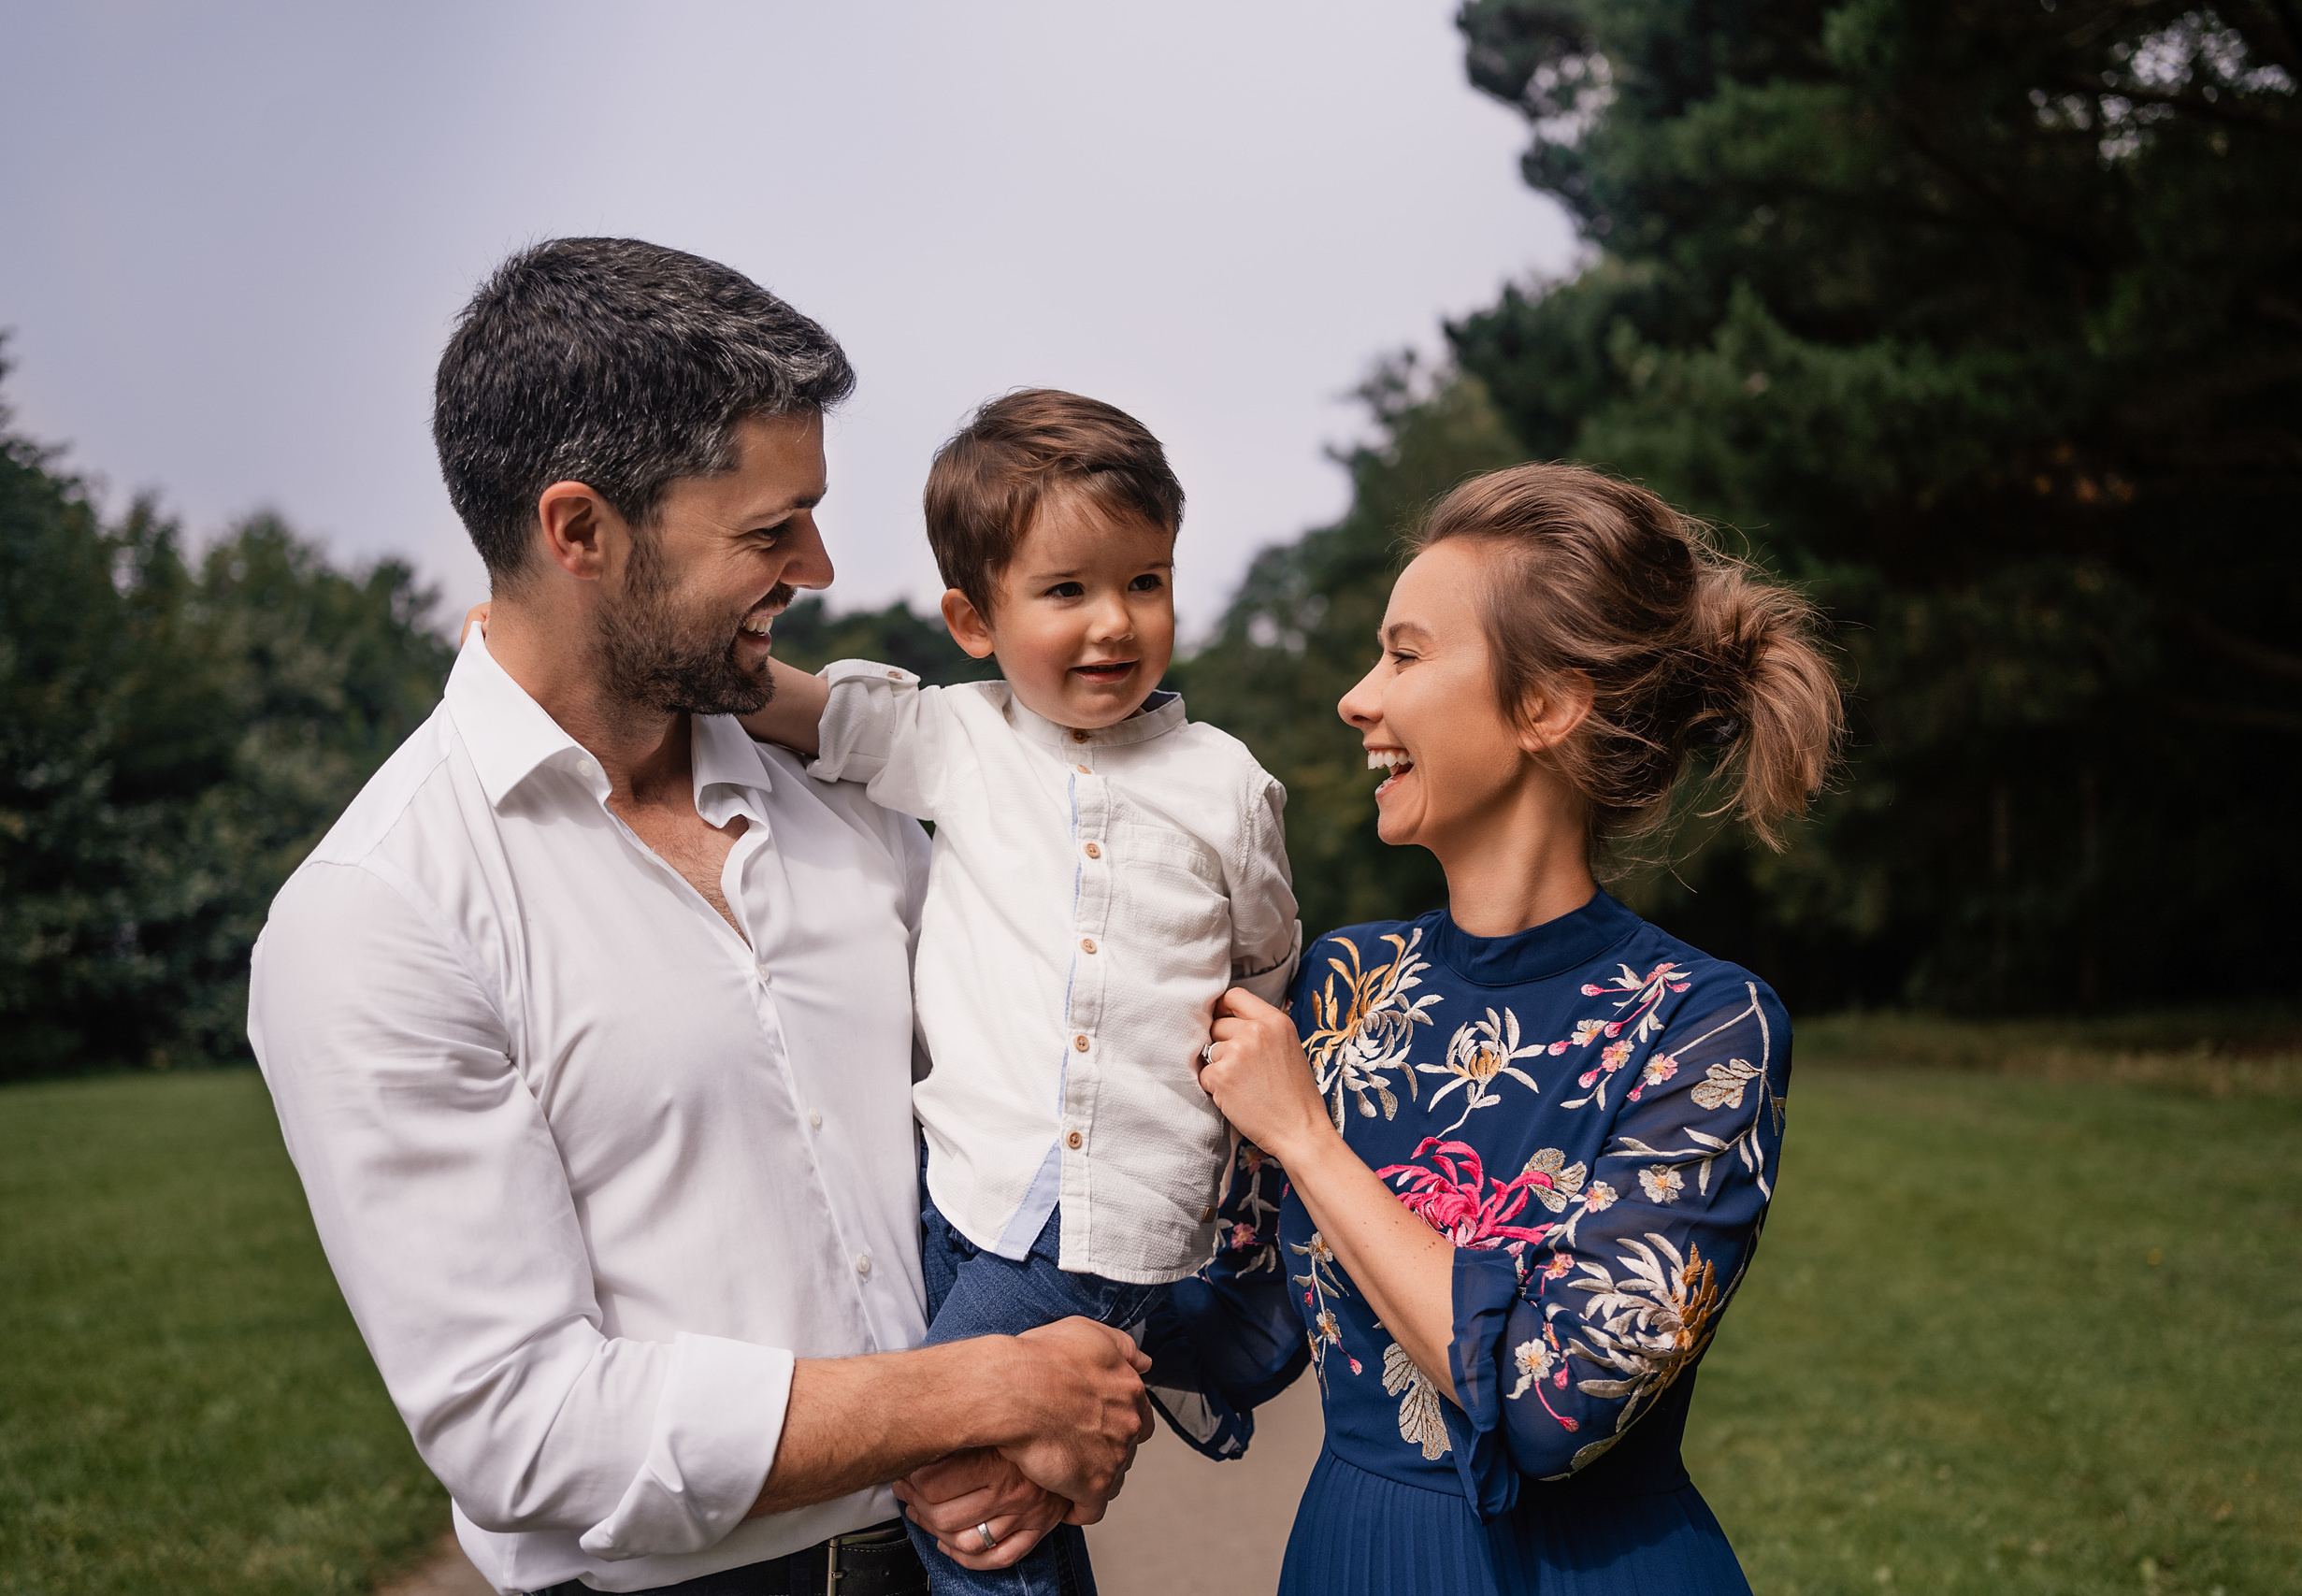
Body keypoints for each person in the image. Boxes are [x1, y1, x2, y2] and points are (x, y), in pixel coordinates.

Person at [246, 238, 1151, 1596]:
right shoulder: (378, 914)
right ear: (579, 532)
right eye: (767, 530)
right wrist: (975, 1391)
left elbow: (1035, 1084)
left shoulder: (847, 804)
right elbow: (524, 1424)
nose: (821, 563)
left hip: (981, 1555)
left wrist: (1043, 1402)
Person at [1175, 463, 1844, 1594]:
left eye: (1404, 652)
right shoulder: (1341, 986)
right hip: (1348, 1558)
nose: (1356, 698)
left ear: (1545, 705)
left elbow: (1553, 1407)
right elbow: (1241, 1331)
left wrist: (1306, 1142)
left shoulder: (1703, 1026)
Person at [737, 388, 1301, 1594]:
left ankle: (1215, 1325)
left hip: (1106, 1215)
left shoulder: (1224, 785)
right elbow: (778, 701)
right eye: (1065, 591)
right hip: (961, 1186)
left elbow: (1261, 970)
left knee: (958, 1494)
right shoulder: (954, 739)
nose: (1113, 622)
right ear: (973, 618)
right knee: (1022, 1498)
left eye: (1144, 582)